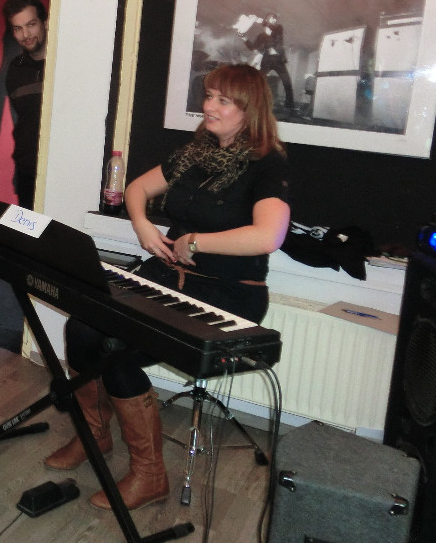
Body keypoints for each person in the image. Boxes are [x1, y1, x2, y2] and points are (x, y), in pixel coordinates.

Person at [44, 64, 289, 513]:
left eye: (222, 100)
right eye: (208, 95)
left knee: (117, 346)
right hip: (168, 279)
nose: (208, 106)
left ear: (249, 109)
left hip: (225, 294)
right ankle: (94, 436)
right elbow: (137, 188)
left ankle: (150, 475)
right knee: (81, 328)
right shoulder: (195, 154)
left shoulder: (266, 165)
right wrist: (142, 226)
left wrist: (196, 241)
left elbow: (268, 236)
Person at [3, 0, 48, 209]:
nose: (25, 34)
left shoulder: (65, 63)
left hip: (65, 172)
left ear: (44, 23)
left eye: (31, 25)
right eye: (18, 28)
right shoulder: (15, 70)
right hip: (27, 172)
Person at [238, 12, 295, 111]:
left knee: (286, 81)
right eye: (272, 18)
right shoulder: (261, 36)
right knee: (258, 80)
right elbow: (253, 47)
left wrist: (260, 20)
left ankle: (290, 104)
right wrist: (243, 37)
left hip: (278, 60)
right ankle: (251, 101)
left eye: (275, 19)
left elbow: (272, 29)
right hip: (267, 59)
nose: (274, 20)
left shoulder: (278, 28)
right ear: (267, 19)